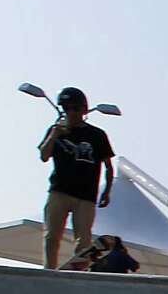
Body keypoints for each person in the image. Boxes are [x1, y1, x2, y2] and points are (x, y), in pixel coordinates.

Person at [37, 87, 116, 270]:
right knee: (51, 235)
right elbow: (44, 155)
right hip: (59, 191)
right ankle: (49, 270)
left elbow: (108, 166)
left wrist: (107, 191)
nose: (71, 112)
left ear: (83, 110)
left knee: (84, 240)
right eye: (67, 108)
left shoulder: (96, 135)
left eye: (75, 108)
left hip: (86, 195)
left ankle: (78, 271)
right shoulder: (56, 131)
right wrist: (54, 135)